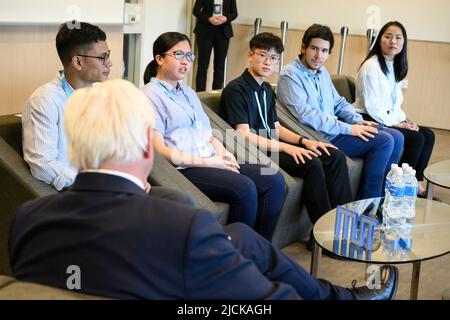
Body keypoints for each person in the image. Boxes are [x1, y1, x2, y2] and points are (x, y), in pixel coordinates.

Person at [9, 79, 399, 300]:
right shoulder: (183, 227)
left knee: (242, 237)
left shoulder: (27, 221)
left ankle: (337, 296)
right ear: (148, 145)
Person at [21, 21, 192, 203]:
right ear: (78, 61)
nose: (109, 63)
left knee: (180, 200)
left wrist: (134, 175)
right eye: (102, 57)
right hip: (81, 193)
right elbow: (42, 164)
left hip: (115, 186)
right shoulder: (45, 100)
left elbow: (120, 146)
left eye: (108, 55)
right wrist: (98, 184)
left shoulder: (102, 95)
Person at [142, 32, 285, 241]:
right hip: (186, 168)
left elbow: (208, 135)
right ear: (160, 59)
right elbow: (160, 150)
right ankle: (233, 258)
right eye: (178, 55)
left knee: (272, 178)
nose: (185, 61)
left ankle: (258, 249)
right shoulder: (149, 95)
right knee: (244, 188)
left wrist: (225, 154)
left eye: (189, 56)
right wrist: (209, 162)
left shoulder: (188, 93)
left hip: (211, 160)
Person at [220, 32, 353, 249]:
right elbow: (244, 135)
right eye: (262, 55)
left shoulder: (266, 90)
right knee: (311, 163)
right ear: (250, 55)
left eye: (273, 58)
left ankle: (345, 227)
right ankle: (323, 238)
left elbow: (276, 127)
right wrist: (289, 149)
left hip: (271, 145)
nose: (267, 62)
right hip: (253, 151)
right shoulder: (236, 89)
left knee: (333, 155)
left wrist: (303, 141)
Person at [277, 24, 404, 200]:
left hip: (335, 129)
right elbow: (306, 115)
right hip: (319, 136)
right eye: (314, 48)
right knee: (384, 141)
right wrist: (348, 128)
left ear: (329, 53)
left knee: (397, 136)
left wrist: (358, 121)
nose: (318, 55)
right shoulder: (289, 75)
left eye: (324, 51)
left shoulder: (322, 72)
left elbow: (338, 103)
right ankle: (368, 203)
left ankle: (383, 198)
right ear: (303, 47)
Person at [353, 21, 435, 197]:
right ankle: (399, 188)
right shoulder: (371, 67)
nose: (393, 41)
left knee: (428, 135)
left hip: (386, 117)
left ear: (403, 43)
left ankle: (416, 182)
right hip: (368, 117)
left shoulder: (393, 66)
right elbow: (372, 106)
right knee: (416, 139)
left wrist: (403, 120)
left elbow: (395, 102)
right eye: (388, 36)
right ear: (379, 40)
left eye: (398, 37)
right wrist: (398, 125)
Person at [193, 0, 238, 91]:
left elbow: (234, 13)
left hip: (223, 33)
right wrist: (208, 18)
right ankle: (200, 94)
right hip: (205, 32)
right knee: (202, 65)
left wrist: (226, 18)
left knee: (220, 66)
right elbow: (196, 11)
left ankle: (216, 93)